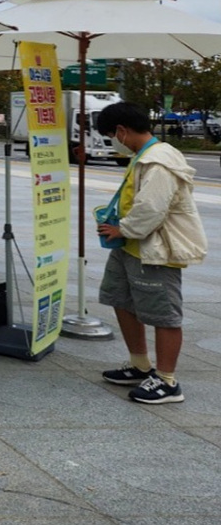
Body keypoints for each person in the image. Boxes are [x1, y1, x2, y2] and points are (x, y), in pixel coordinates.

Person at [95, 101, 207, 404]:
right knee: (121, 299)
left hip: (155, 249)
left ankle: (167, 381)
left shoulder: (158, 161)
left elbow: (152, 208)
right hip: (131, 247)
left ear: (122, 130)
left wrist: (122, 229)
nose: (113, 142)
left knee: (163, 313)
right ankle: (140, 365)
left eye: (111, 136)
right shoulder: (143, 156)